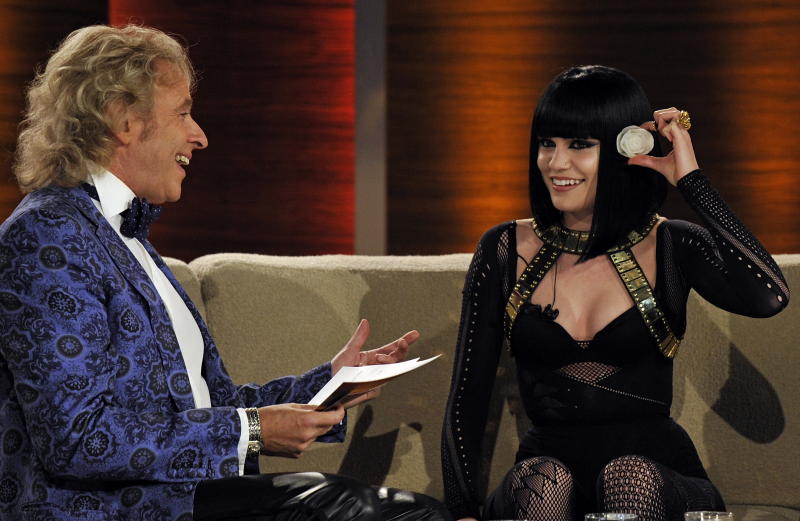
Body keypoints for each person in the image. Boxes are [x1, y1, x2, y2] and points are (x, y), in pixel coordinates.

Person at [0, 25, 451, 521]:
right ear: (124, 120)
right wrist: (252, 430)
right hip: (112, 510)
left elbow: (212, 407)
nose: (199, 136)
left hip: (189, 497)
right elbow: (77, 439)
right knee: (389, 512)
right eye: (183, 113)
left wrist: (326, 385)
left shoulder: (126, 236)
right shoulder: (47, 235)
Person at [441, 65, 789, 521]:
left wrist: (691, 181)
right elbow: (467, 399)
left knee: (628, 477)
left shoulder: (670, 243)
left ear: (628, 146)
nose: (556, 163)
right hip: (546, 476)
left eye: (579, 145)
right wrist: (462, 513)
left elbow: (768, 296)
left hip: (654, 477)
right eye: (547, 143)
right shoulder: (505, 248)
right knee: (543, 483)